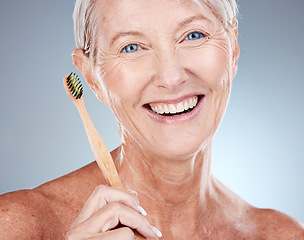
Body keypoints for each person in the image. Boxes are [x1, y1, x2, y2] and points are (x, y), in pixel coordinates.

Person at [0, 0, 303, 239]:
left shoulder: (283, 235)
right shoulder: (19, 227)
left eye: (193, 35)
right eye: (131, 47)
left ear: (233, 49)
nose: (171, 77)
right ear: (91, 77)